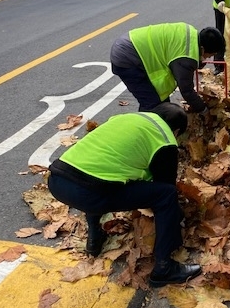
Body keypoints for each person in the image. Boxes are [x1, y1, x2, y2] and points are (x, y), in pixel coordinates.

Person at [48, 103, 202, 288]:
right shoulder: (165, 138)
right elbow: (164, 186)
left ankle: (95, 239)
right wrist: (177, 219)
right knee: (166, 195)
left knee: (101, 176)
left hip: (58, 180)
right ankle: (164, 268)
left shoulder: (124, 118)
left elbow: (113, 163)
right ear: (176, 131)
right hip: (90, 193)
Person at [110, 23, 225, 114]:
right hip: (128, 56)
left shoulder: (191, 35)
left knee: (162, 104)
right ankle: (145, 134)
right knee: (152, 104)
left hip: (129, 42)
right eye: (209, 55)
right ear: (202, 48)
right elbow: (187, 91)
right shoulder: (186, 58)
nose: (208, 58)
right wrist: (204, 110)